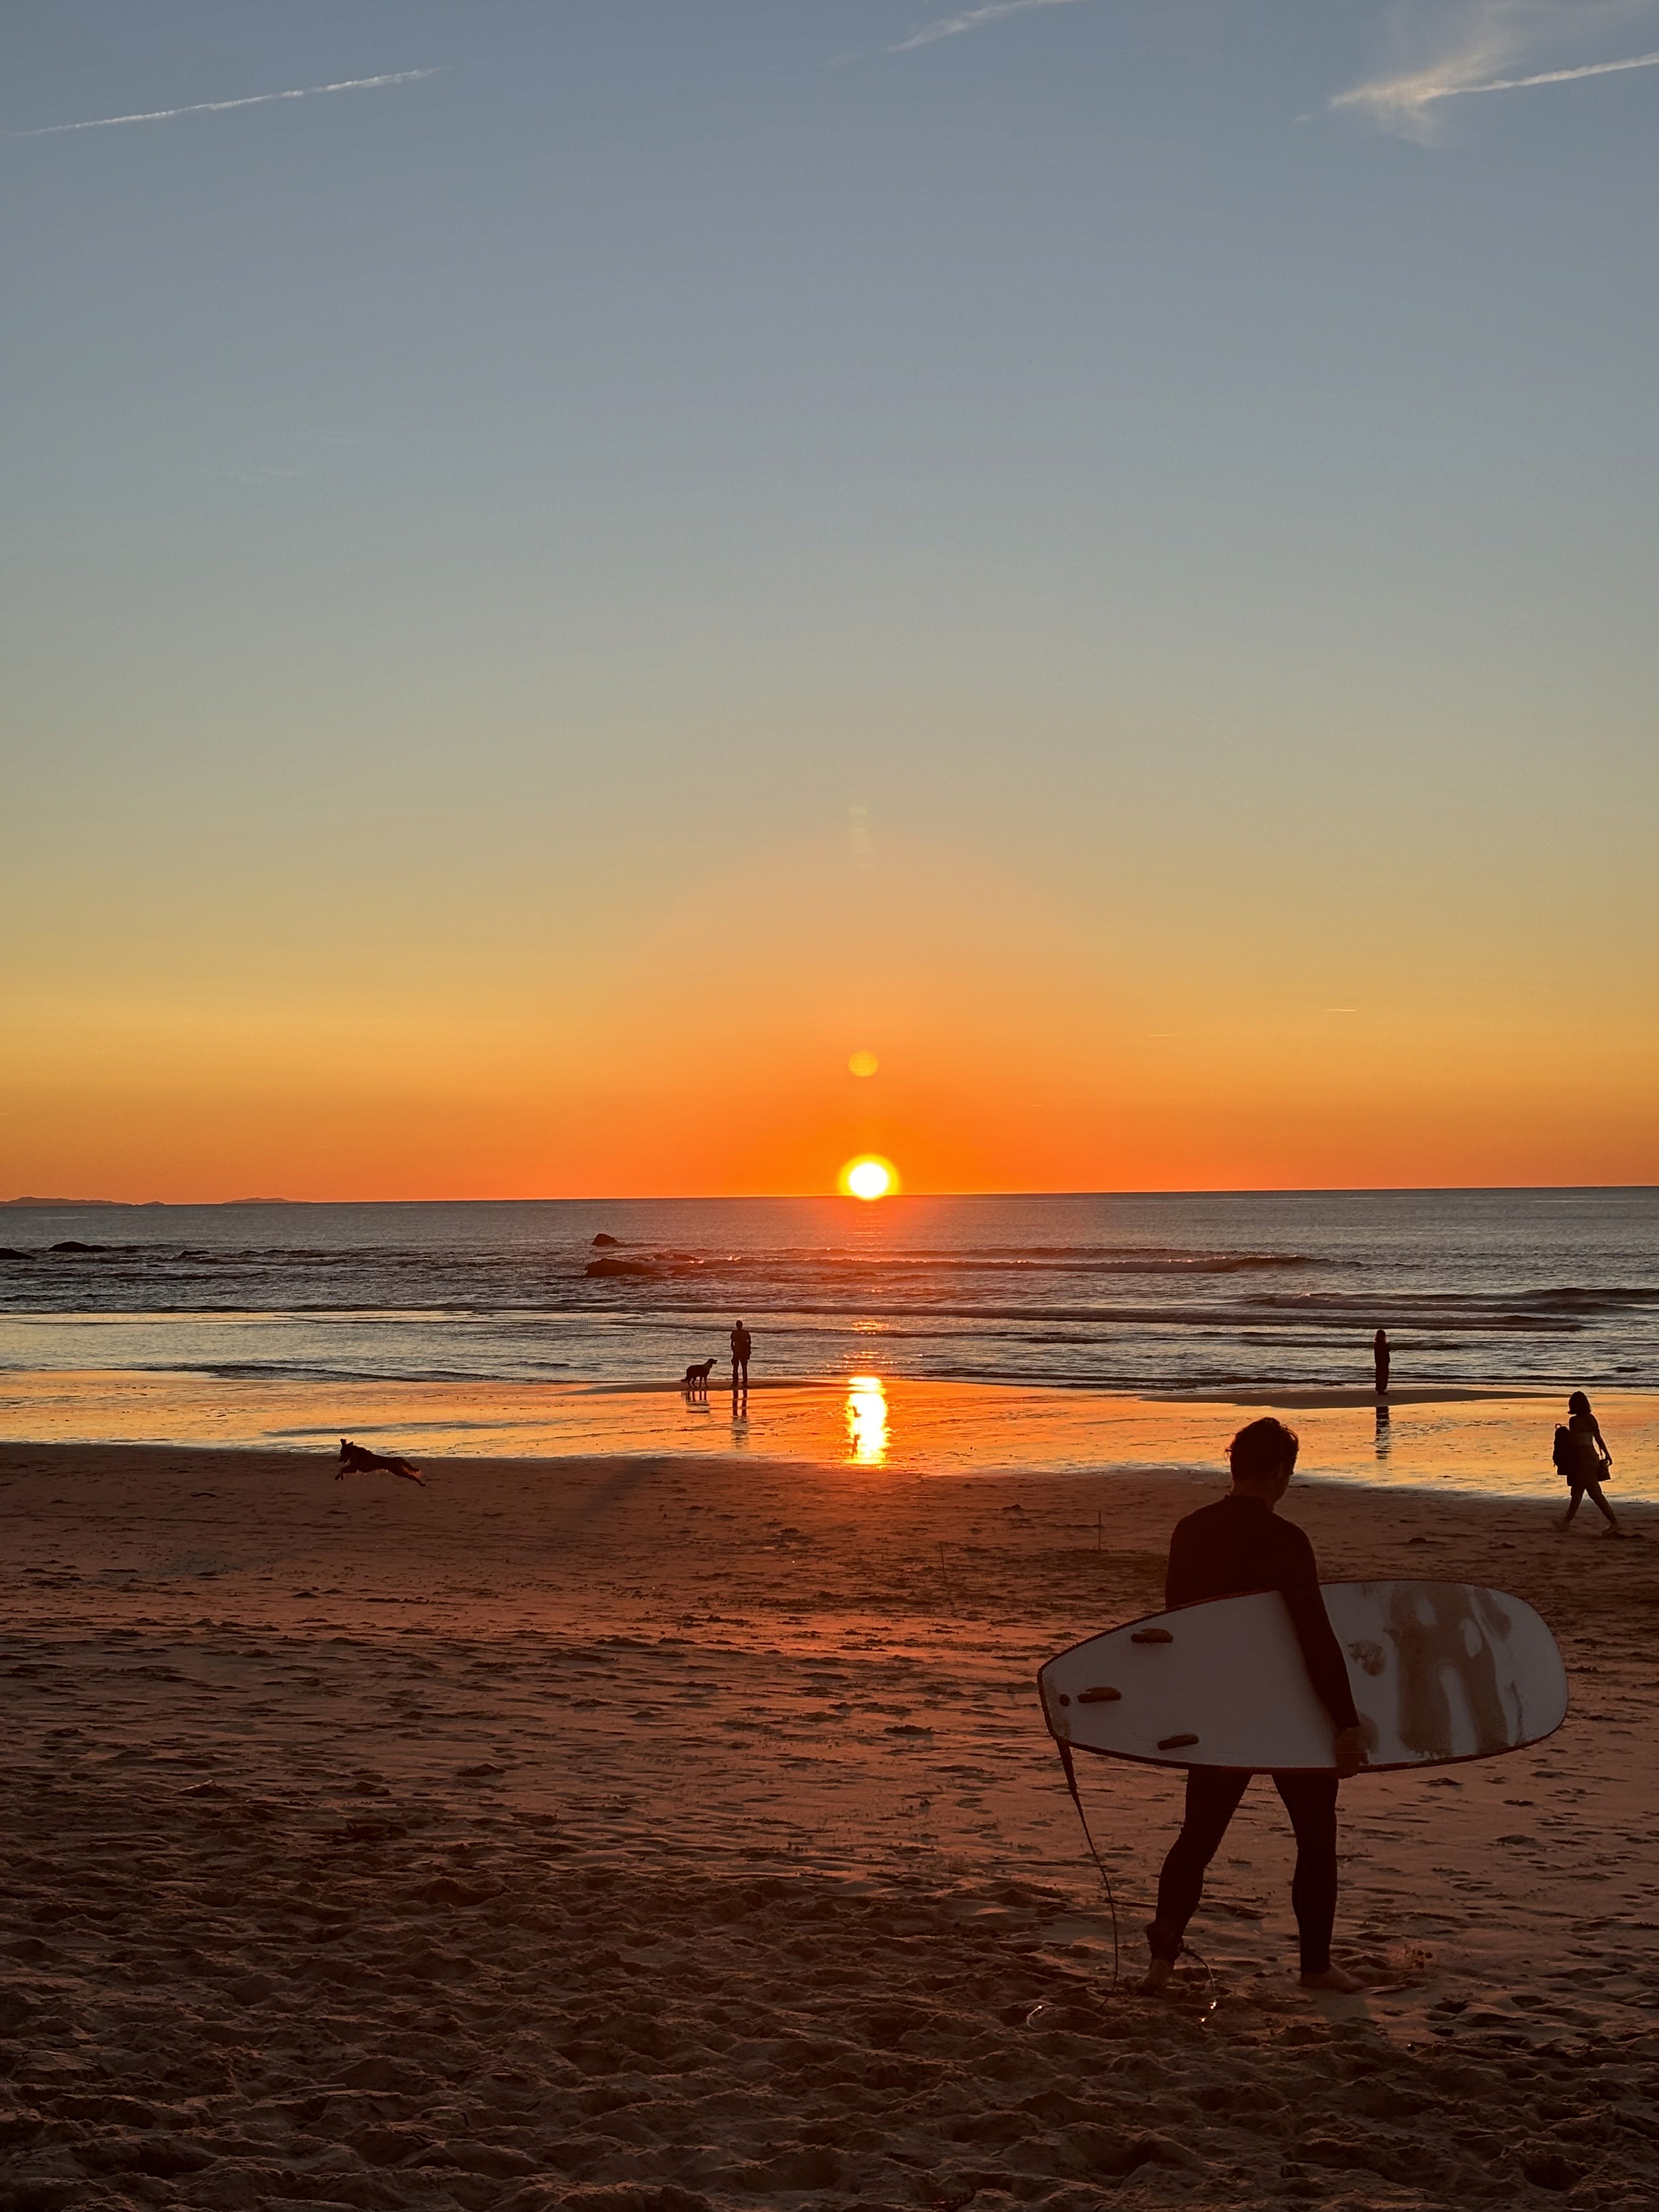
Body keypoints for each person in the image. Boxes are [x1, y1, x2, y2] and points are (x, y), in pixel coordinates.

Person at [1141, 1417, 1368, 1997]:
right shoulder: (1286, 1539)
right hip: (1290, 1709)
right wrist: (1345, 1722)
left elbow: (1177, 1625)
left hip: (1221, 1706)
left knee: (1198, 1836)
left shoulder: (1189, 1531)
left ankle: (1161, 1962)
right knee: (1315, 1837)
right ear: (1276, 1474)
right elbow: (1313, 1635)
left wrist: (1187, 1704)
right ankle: (1315, 1967)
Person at [1553, 1391, 1623, 1536]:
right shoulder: (1591, 1419)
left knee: (1584, 1492)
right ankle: (1566, 1521)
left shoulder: (1574, 1421)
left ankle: (1614, 1522)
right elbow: (1598, 1438)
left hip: (1581, 1458)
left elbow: (1574, 1442)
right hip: (1592, 1456)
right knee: (1587, 1492)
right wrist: (1607, 1454)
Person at [730, 1319, 752, 1391]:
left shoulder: (744, 1333)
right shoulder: (736, 1333)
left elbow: (749, 1342)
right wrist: (734, 1351)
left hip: (742, 1352)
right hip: (738, 1352)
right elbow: (732, 1343)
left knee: (743, 1367)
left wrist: (748, 1351)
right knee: (737, 1367)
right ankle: (736, 1381)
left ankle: (744, 1381)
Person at [1373, 1328, 1390, 1397]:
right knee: (1382, 1375)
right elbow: (1388, 1349)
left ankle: (1381, 1389)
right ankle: (1381, 1389)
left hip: (1382, 1361)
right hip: (1382, 1361)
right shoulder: (1380, 1344)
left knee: (1382, 1375)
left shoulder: (1378, 1344)